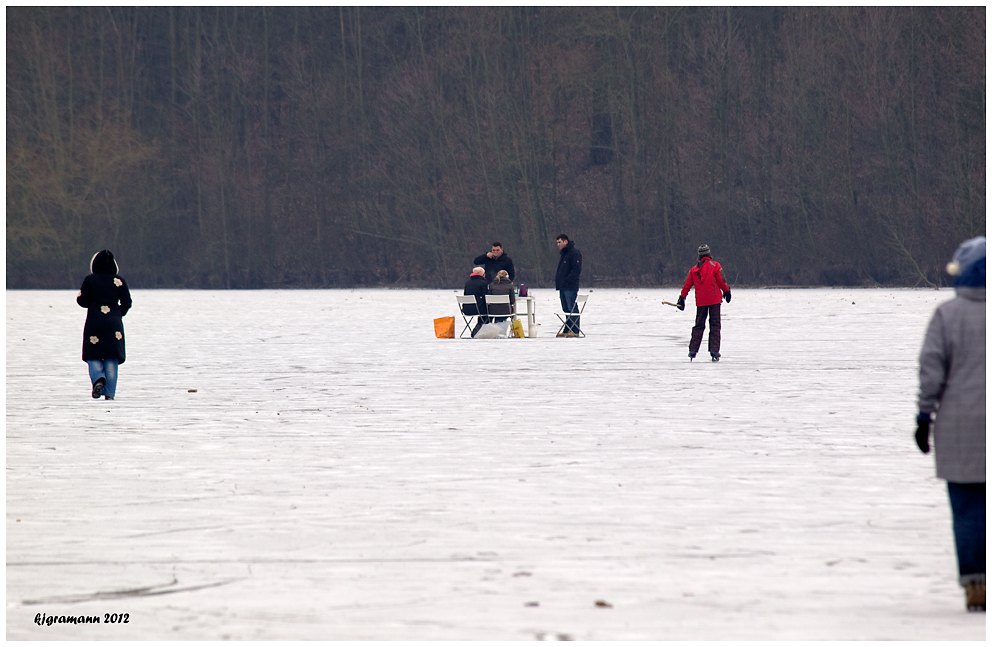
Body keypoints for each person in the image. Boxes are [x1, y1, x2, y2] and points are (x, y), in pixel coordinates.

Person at [916, 236, 986, 612]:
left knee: (966, 508)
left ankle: (975, 580)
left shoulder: (948, 314)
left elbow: (931, 371)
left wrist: (923, 416)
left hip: (958, 429)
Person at [77, 250, 132, 400]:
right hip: (114, 322)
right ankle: (109, 395)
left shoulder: (90, 280)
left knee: (93, 354)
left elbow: (82, 301)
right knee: (112, 357)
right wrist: (117, 313)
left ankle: (98, 379)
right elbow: (127, 302)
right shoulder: (119, 281)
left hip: (95, 320)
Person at [676, 244, 731, 361]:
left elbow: (686, 286)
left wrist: (682, 298)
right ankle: (714, 350)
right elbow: (722, 281)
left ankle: (693, 350)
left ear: (699, 256)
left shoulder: (693, 270)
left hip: (701, 302)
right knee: (715, 325)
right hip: (714, 300)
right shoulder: (716, 266)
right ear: (709, 254)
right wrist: (727, 291)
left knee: (699, 325)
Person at [554, 234, 582, 337]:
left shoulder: (574, 253)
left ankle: (575, 330)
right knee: (565, 308)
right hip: (562, 286)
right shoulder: (564, 254)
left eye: (559, 242)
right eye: (557, 243)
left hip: (570, 286)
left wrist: (567, 280)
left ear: (566, 242)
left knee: (572, 308)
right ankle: (567, 329)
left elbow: (576, 269)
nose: (558, 244)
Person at [462, 266, 490, 337]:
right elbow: (485, 297)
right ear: (482, 275)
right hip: (478, 309)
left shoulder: (467, 283)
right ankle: (478, 330)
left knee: (482, 310)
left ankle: (479, 328)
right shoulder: (483, 283)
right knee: (489, 312)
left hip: (466, 309)